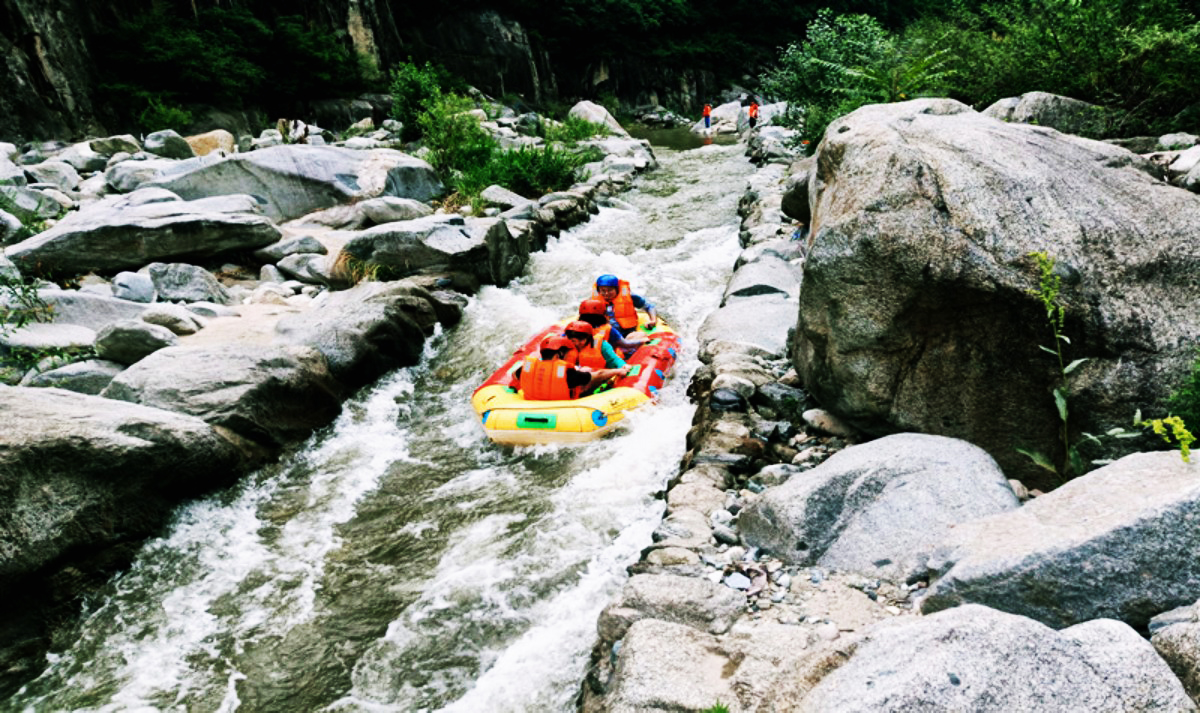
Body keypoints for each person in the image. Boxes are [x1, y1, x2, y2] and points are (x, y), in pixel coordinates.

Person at [513, 335, 628, 400]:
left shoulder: (525, 368)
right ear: (559, 355)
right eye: (568, 353)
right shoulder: (568, 374)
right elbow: (599, 375)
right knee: (587, 372)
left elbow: (514, 375)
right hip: (565, 408)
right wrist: (618, 371)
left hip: (533, 403)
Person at [592, 274, 657, 337]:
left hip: (626, 332)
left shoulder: (630, 296)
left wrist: (653, 320)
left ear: (617, 289)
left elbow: (649, 307)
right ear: (598, 291)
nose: (606, 293)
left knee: (639, 336)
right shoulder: (594, 301)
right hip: (606, 331)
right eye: (603, 291)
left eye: (610, 290)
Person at [577, 298, 644, 358]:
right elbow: (625, 344)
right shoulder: (609, 330)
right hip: (610, 360)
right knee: (638, 335)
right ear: (603, 315)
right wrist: (642, 341)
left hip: (584, 360)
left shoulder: (574, 329)